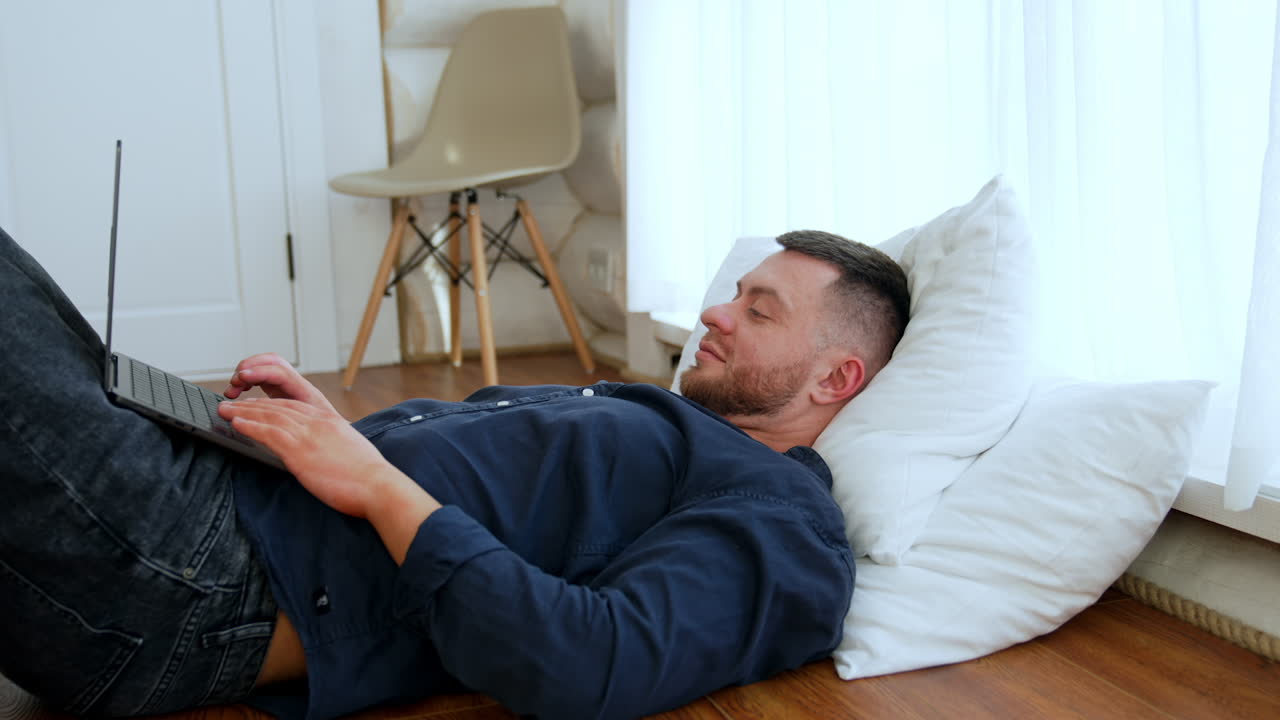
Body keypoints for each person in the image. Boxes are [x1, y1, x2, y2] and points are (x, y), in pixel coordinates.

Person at [0, 226, 909, 720]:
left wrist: (373, 481)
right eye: (734, 290)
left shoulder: (785, 521)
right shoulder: (665, 420)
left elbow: (594, 662)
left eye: (759, 308)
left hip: (197, 585)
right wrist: (334, 433)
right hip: (221, 504)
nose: (715, 311)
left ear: (836, 378)